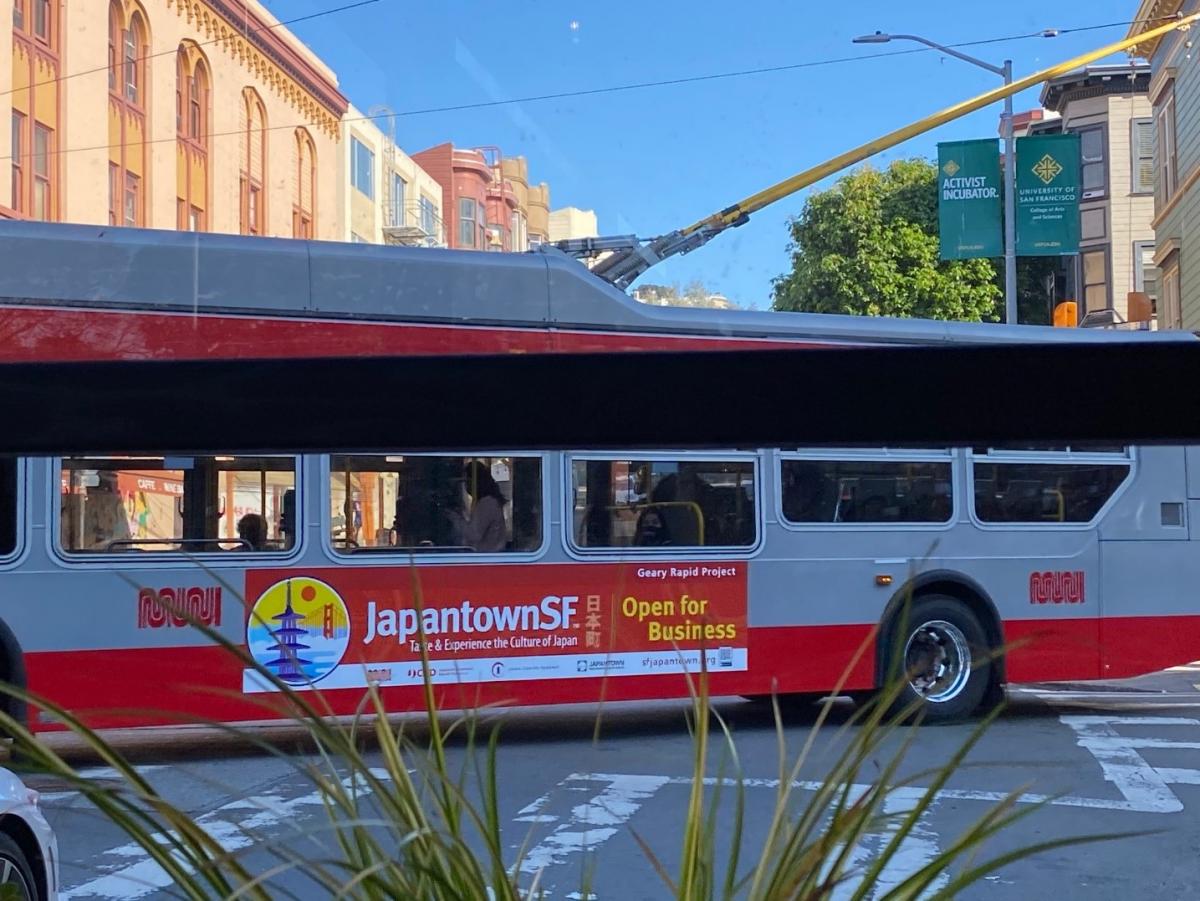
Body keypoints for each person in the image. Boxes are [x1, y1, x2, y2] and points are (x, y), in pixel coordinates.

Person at [448, 461, 508, 552]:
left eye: (468, 482)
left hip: (487, 557)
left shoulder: (487, 503)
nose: (466, 486)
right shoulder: (488, 502)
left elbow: (474, 534)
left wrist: (455, 518)